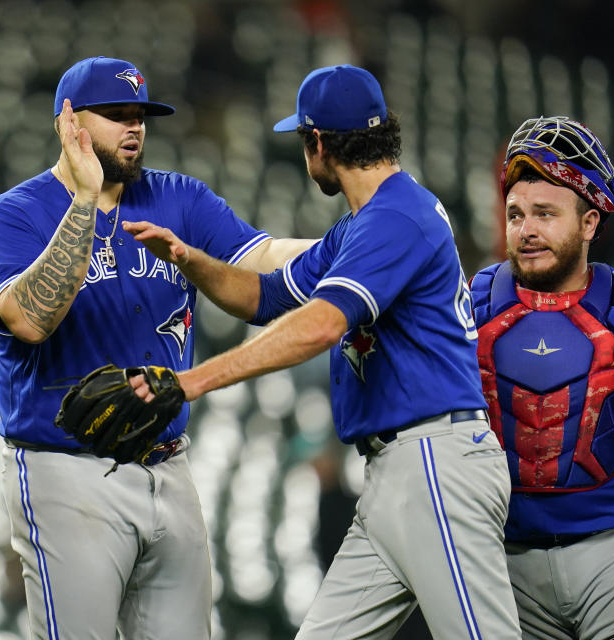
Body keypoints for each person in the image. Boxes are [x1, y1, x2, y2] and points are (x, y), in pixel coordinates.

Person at [126, 64, 521, 639]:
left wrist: (192, 381)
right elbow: (263, 296)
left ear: (318, 142)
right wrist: (189, 258)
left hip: (436, 461)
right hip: (393, 473)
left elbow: (319, 327)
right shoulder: (361, 225)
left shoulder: (397, 217)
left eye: (302, 140)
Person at [0, 55, 314, 639]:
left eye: (141, 115)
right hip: (65, 473)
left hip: (169, 464)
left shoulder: (179, 198)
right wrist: (84, 201)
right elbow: (29, 319)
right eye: (116, 115)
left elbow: (260, 260)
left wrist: (354, 249)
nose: (134, 127)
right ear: (68, 123)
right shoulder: (11, 217)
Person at [468, 116, 614, 640]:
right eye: (516, 214)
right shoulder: (468, 309)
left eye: (545, 214)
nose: (526, 230)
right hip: (505, 563)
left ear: (590, 223)